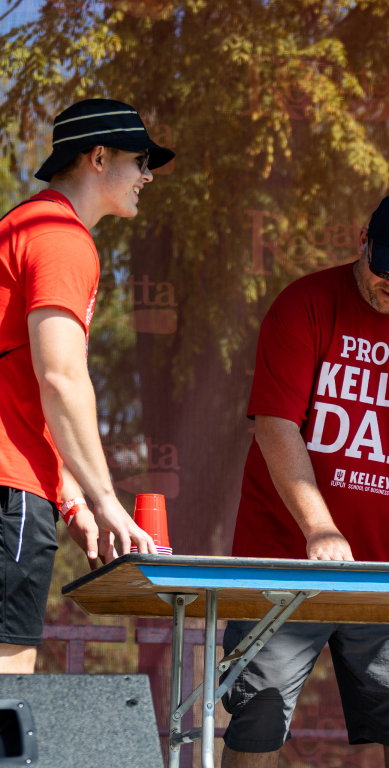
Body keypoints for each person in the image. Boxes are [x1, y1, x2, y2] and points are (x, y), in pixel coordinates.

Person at [223, 192, 389, 767]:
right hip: (284, 560)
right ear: (362, 241)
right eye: (383, 268)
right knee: (258, 715)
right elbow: (275, 426)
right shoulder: (305, 304)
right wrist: (320, 529)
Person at [0, 98, 175, 673]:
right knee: (6, 691)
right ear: (98, 158)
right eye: (140, 159)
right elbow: (59, 376)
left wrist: (72, 499)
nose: (148, 176)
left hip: (19, 482)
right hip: (9, 493)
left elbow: (22, 382)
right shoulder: (61, 237)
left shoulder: (24, 226)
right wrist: (106, 501)